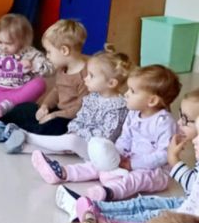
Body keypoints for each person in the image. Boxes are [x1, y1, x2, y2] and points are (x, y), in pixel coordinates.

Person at [32, 63, 180, 202]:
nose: (126, 94)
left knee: (137, 179)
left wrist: (133, 164)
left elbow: (163, 155)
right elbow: (125, 137)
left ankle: (110, 192)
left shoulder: (164, 122)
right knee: (96, 164)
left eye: (133, 91)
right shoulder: (134, 113)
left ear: (152, 101)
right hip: (128, 159)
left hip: (154, 170)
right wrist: (117, 155)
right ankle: (63, 173)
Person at [72, 88, 199, 223]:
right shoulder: (133, 115)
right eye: (180, 115)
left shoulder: (164, 121)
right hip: (191, 204)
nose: (179, 122)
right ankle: (99, 207)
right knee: (148, 202)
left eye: (186, 119)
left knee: (157, 216)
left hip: (192, 219)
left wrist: (173, 160)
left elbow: (193, 189)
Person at [0, 47, 129, 156]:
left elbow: (106, 137)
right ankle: (24, 147)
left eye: (92, 76)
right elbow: (80, 118)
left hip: (97, 149)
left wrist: (78, 135)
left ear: (111, 83)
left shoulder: (118, 107)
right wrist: (74, 129)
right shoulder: (93, 97)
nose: (86, 79)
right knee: (65, 142)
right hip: (80, 139)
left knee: (70, 141)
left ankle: (27, 136)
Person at [0, 18, 88, 141]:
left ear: (64, 50)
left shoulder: (86, 76)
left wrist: (53, 115)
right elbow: (56, 91)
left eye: (49, 52)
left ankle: (18, 133)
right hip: (57, 111)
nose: (47, 56)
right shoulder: (63, 68)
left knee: (54, 126)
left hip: (71, 118)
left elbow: (80, 109)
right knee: (27, 107)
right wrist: (45, 106)